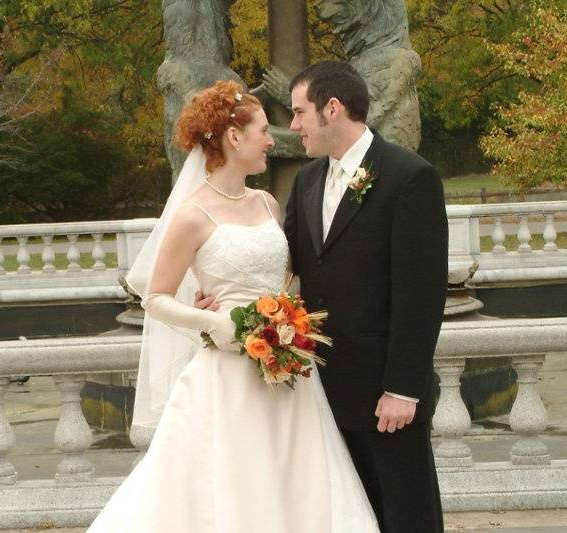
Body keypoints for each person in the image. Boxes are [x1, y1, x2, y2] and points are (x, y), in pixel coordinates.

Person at [87, 80, 379, 532]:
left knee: (297, 478)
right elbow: (156, 298)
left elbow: (284, 274)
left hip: (288, 369)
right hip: (227, 374)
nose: (272, 140)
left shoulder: (266, 203)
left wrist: (286, 318)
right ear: (233, 137)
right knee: (232, 480)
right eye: (263, 131)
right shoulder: (192, 215)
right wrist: (212, 321)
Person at [284, 61, 448, 532]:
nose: (293, 126)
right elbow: (287, 265)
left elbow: (422, 293)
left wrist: (403, 388)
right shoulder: (307, 180)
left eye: (299, 113)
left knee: (406, 517)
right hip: (322, 391)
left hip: (385, 396)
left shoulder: (409, 176)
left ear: (332, 109)